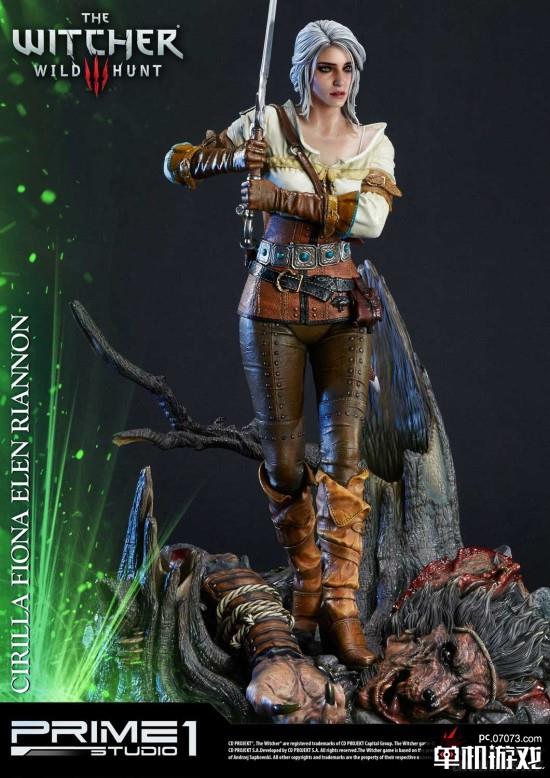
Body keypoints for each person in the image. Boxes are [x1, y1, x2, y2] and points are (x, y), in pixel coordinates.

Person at [164, 19, 402, 669]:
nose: (338, 80)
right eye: (326, 68)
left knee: (346, 457)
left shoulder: (372, 142)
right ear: (304, 71)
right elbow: (177, 164)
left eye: (347, 68)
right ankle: (306, 583)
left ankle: (342, 609)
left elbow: (371, 219)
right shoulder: (266, 125)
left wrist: (280, 195)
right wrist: (232, 159)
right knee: (286, 462)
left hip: (343, 306)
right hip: (271, 305)